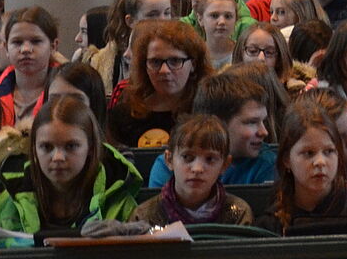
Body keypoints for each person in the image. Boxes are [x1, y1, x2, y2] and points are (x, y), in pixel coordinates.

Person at [0, 94, 141, 233]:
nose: (57, 157)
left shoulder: (120, 206)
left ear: (91, 148)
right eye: (47, 147)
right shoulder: (7, 204)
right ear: (34, 149)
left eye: (71, 146)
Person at [268, 98, 347, 233]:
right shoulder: (269, 225)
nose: (320, 162)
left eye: (329, 151)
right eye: (308, 153)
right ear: (287, 159)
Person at [149, 70, 276, 188]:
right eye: (251, 122)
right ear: (216, 124)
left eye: (263, 121)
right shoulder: (170, 165)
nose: (264, 132)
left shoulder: (266, 163)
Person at [131, 114, 254, 228]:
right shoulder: (144, 217)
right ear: (169, 160)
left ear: (225, 165)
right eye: (187, 157)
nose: (197, 169)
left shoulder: (239, 214)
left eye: (210, 159)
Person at [106, 21, 204, 149]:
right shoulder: (124, 113)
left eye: (175, 61)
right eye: (155, 62)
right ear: (144, 65)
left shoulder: (208, 110)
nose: (164, 70)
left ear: (193, 64)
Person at [0, 6, 59, 129]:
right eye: (17, 42)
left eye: (36, 41)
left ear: (53, 46)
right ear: (6, 47)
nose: (26, 49)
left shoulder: (68, 91)